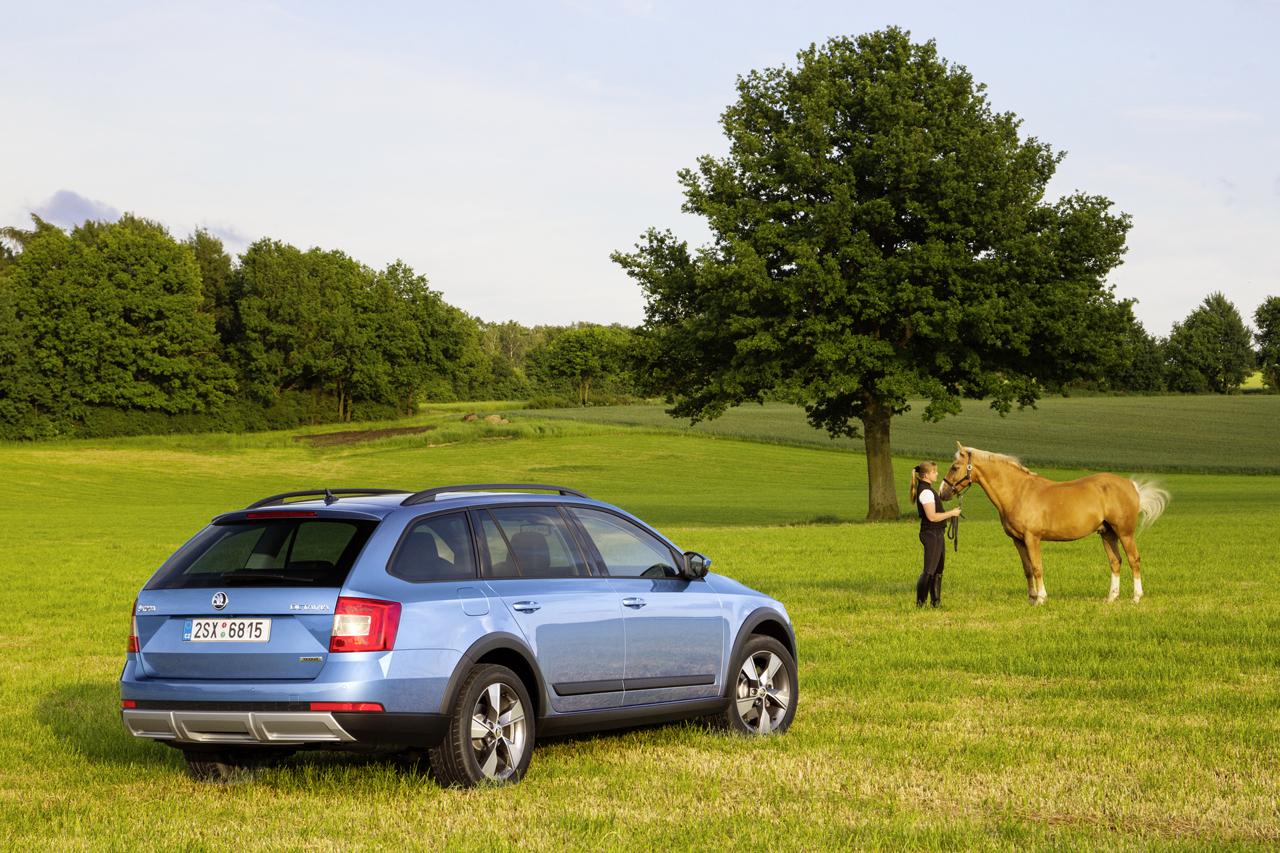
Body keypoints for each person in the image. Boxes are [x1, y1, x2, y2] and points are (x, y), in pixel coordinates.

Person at [910, 461, 961, 607]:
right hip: (931, 533)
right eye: (934, 472)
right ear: (926, 475)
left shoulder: (928, 490)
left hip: (937, 533)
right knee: (929, 570)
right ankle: (920, 603)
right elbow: (932, 517)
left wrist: (950, 514)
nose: (937, 474)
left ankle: (936, 602)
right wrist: (951, 513)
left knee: (938, 570)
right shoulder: (926, 492)